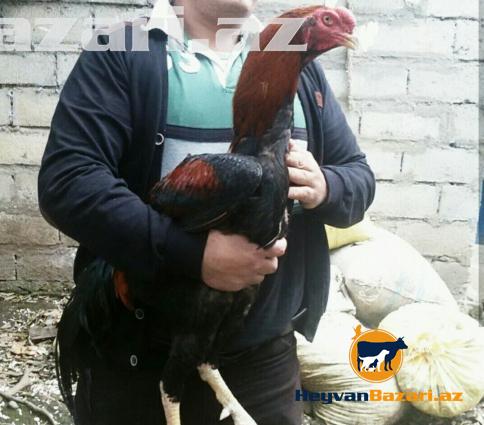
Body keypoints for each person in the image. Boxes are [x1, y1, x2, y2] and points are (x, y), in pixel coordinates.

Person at [38, 0, 375, 424]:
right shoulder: (121, 49)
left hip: (263, 362)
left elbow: (359, 177)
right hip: (138, 358)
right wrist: (191, 253)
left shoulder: (297, 66)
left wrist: (326, 186)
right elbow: (68, 182)